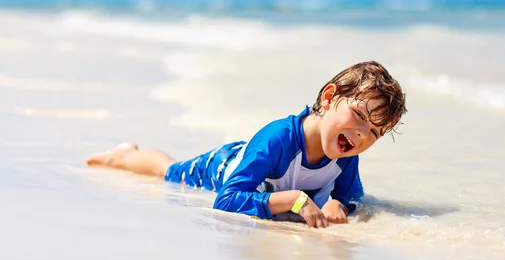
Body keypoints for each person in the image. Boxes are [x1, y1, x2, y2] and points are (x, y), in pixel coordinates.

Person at [86, 61, 407, 228]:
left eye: (374, 133)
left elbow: (352, 198)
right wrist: (291, 200)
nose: (362, 135)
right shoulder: (280, 138)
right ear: (328, 97)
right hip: (224, 166)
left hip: (260, 169)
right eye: (358, 116)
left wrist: (342, 205)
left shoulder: (346, 156)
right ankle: (124, 155)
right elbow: (225, 201)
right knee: (170, 171)